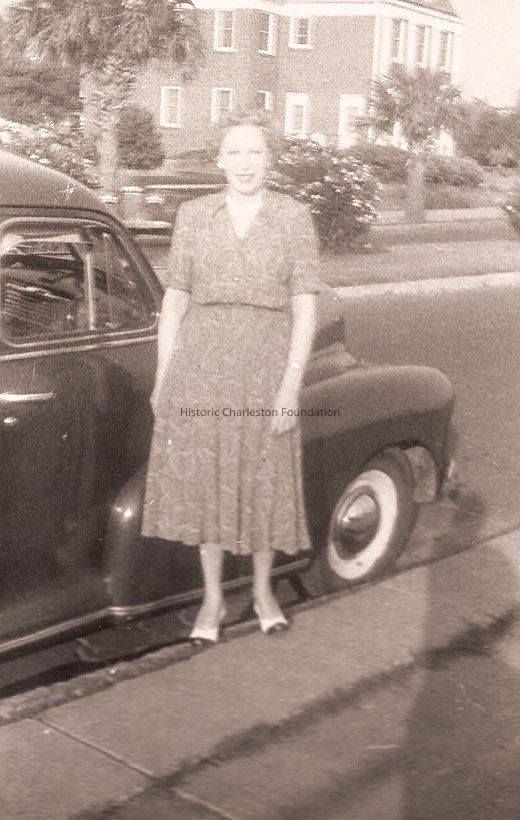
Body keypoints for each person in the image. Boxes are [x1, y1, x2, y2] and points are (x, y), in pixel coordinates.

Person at [141, 110, 320, 644]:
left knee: (265, 478)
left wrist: (290, 386)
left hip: (266, 367)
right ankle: (214, 599)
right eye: (235, 152)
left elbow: (305, 308)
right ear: (219, 160)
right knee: (209, 480)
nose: (245, 163)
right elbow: (176, 301)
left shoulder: (293, 216)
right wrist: (164, 376)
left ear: (270, 159)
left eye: (255, 152)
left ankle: (263, 590)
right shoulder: (194, 215)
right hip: (201, 367)